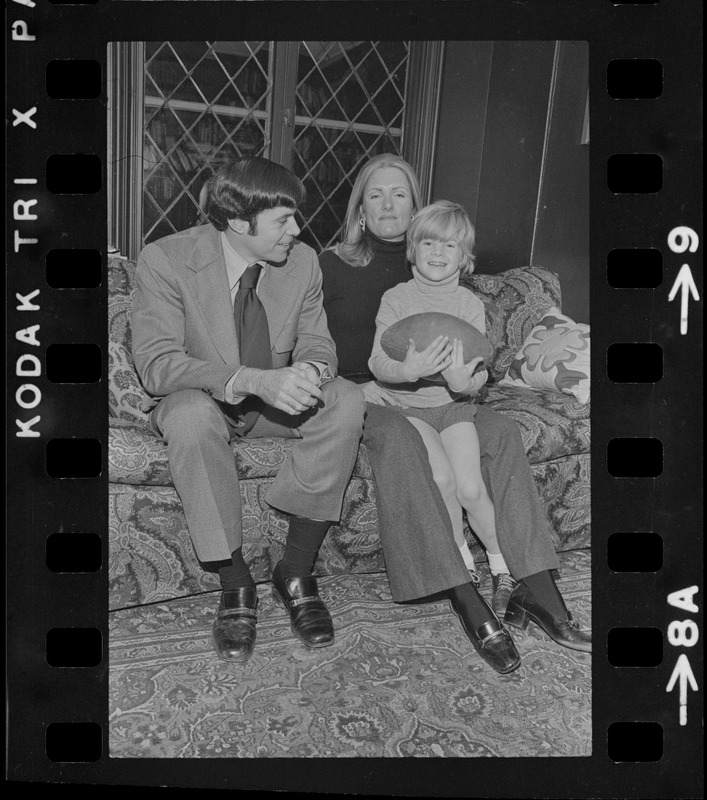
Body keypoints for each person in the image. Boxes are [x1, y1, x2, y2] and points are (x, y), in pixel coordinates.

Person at [319, 153, 591, 665]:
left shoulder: (449, 274)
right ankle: (465, 594)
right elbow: (318, 344)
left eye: (399, 193)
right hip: (373, 394)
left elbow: (476, 354)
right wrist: (350, 386)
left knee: (503, 434)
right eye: (374, 193)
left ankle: (535, 587)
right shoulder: (329, 265)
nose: (387, 203)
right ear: (359, 204)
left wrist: (473, 382)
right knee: (414, 453)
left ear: (417, 207)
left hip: (451, 396)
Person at [132, 156, 366, 664]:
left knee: (347, 398)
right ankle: (236, 584)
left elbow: (318, 343)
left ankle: (297, 570)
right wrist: (250, 378)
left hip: (272, 407)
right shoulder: (166, 258)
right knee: (190, 415)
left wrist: (313, 373)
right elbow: (157, 365)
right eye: (283, 220)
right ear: (239, 222)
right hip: (204, 400)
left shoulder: (302, 262)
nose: (297, 230)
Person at [369, 200, 513, 593]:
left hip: (453, 408)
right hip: (409, 408)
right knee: (442, 479)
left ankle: (502, 567)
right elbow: (377, 362)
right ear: (412, 249)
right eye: (429, 243)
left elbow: (480, 372)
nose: (438, 253)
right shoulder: (395, 298)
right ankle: (463, 560)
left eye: (450, 246)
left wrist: (461, 380)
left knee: (470, 487)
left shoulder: (468, 304)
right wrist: (407, 371)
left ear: (464, 258)